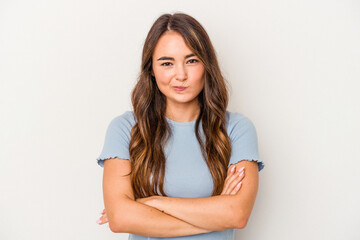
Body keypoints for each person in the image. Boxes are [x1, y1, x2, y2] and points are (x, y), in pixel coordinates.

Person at [95, 12, 265, 240]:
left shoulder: (236, 129)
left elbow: (237, 214)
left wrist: (154, 203)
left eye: (192, 61)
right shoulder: (125, 129)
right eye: (167, 63)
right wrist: (215, 215)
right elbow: (120, 218)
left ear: (207, 65)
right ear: (151, 70)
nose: (181, 75)